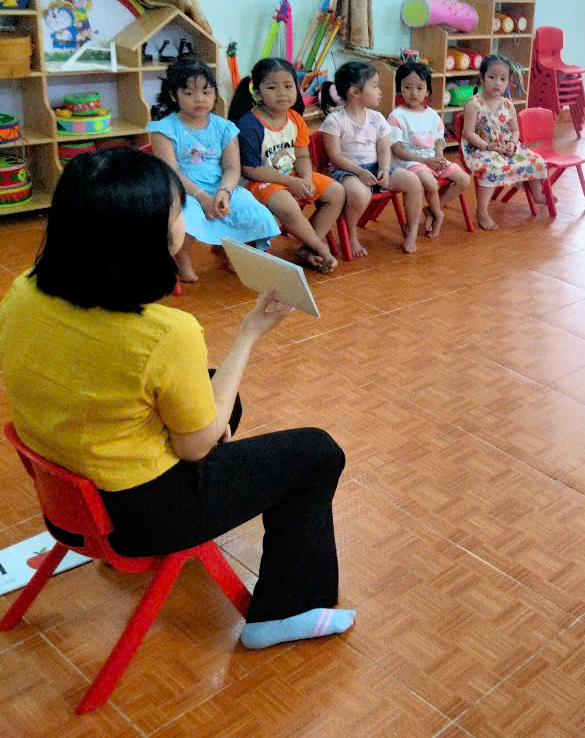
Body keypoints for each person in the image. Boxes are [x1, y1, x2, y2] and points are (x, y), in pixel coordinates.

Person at [0, 148, 351, 651]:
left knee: (213, 390)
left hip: (69, 501)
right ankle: (286, 611)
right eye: (177, 214)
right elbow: (196, 448)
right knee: (317, 452)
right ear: (148, 239)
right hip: (138, 518)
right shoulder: (166, 332)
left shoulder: (22, 291)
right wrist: (249, 333)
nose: (184, 223)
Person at [147, 57, 279, 282]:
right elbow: (171, 173)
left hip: (219, 186)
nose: (200, 99)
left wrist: (224, 192)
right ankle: (181, 255)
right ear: (174, 95)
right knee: (187, 216)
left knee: (253, 210)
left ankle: (231, 249)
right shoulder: (164, 130)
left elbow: (232, 168)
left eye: (206, 92)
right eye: (189, 93)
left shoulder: (225, 127)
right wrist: (202, 198)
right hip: (181, 190)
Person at [234, 58, 344, 274]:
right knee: (287, 204)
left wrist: (305, 178)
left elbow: (302, 155)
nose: (282, 93)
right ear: (258, 92)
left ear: (297, 88)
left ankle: (307, 248)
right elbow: (249, 170)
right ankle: (320, 247)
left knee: (337, 192)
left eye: (288, 86)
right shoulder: (249, 124)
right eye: (272, 87)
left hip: (291, 176)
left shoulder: (295, 119)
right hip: (258, 181)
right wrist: (290, 182)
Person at [319, 61, 425, 253]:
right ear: (355, 92)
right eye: (375, 86)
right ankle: (351, 234)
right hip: (347, 171)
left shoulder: (377, 118)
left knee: (413, 182)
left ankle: (411, 229)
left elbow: (384, 150)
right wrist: (359, 172)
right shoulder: (334, 120)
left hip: (376, 167)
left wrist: (384, 168)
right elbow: (334, 156)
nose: (379, 91)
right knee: (360, 194)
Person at [460, 54, 550, 231]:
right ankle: (482, 211)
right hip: (480, 148)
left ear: (508, 82)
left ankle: (538, 194)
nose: (497, 83)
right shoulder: (474, 104)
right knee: (492, 167)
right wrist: (488, 146)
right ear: (482, 78)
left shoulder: (508, 105)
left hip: (505, 146)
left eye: (503, 79)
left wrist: (513, 144)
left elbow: (515, 130)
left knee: (535, 160)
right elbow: (468, 133)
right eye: (492, 77)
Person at [387, 60, 472, 238]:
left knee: (464, 179)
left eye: (419, 88)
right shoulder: (396, 116)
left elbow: (439, 140)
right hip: (410, 162)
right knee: (431, 184)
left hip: (432, 158)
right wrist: (426, 161)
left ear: (427, 91)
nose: (413, 93)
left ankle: (433, 209)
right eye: (407, 87)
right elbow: (397, 149)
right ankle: (438, 214)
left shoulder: (432, 115)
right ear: (399, 89)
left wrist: (439, 156)